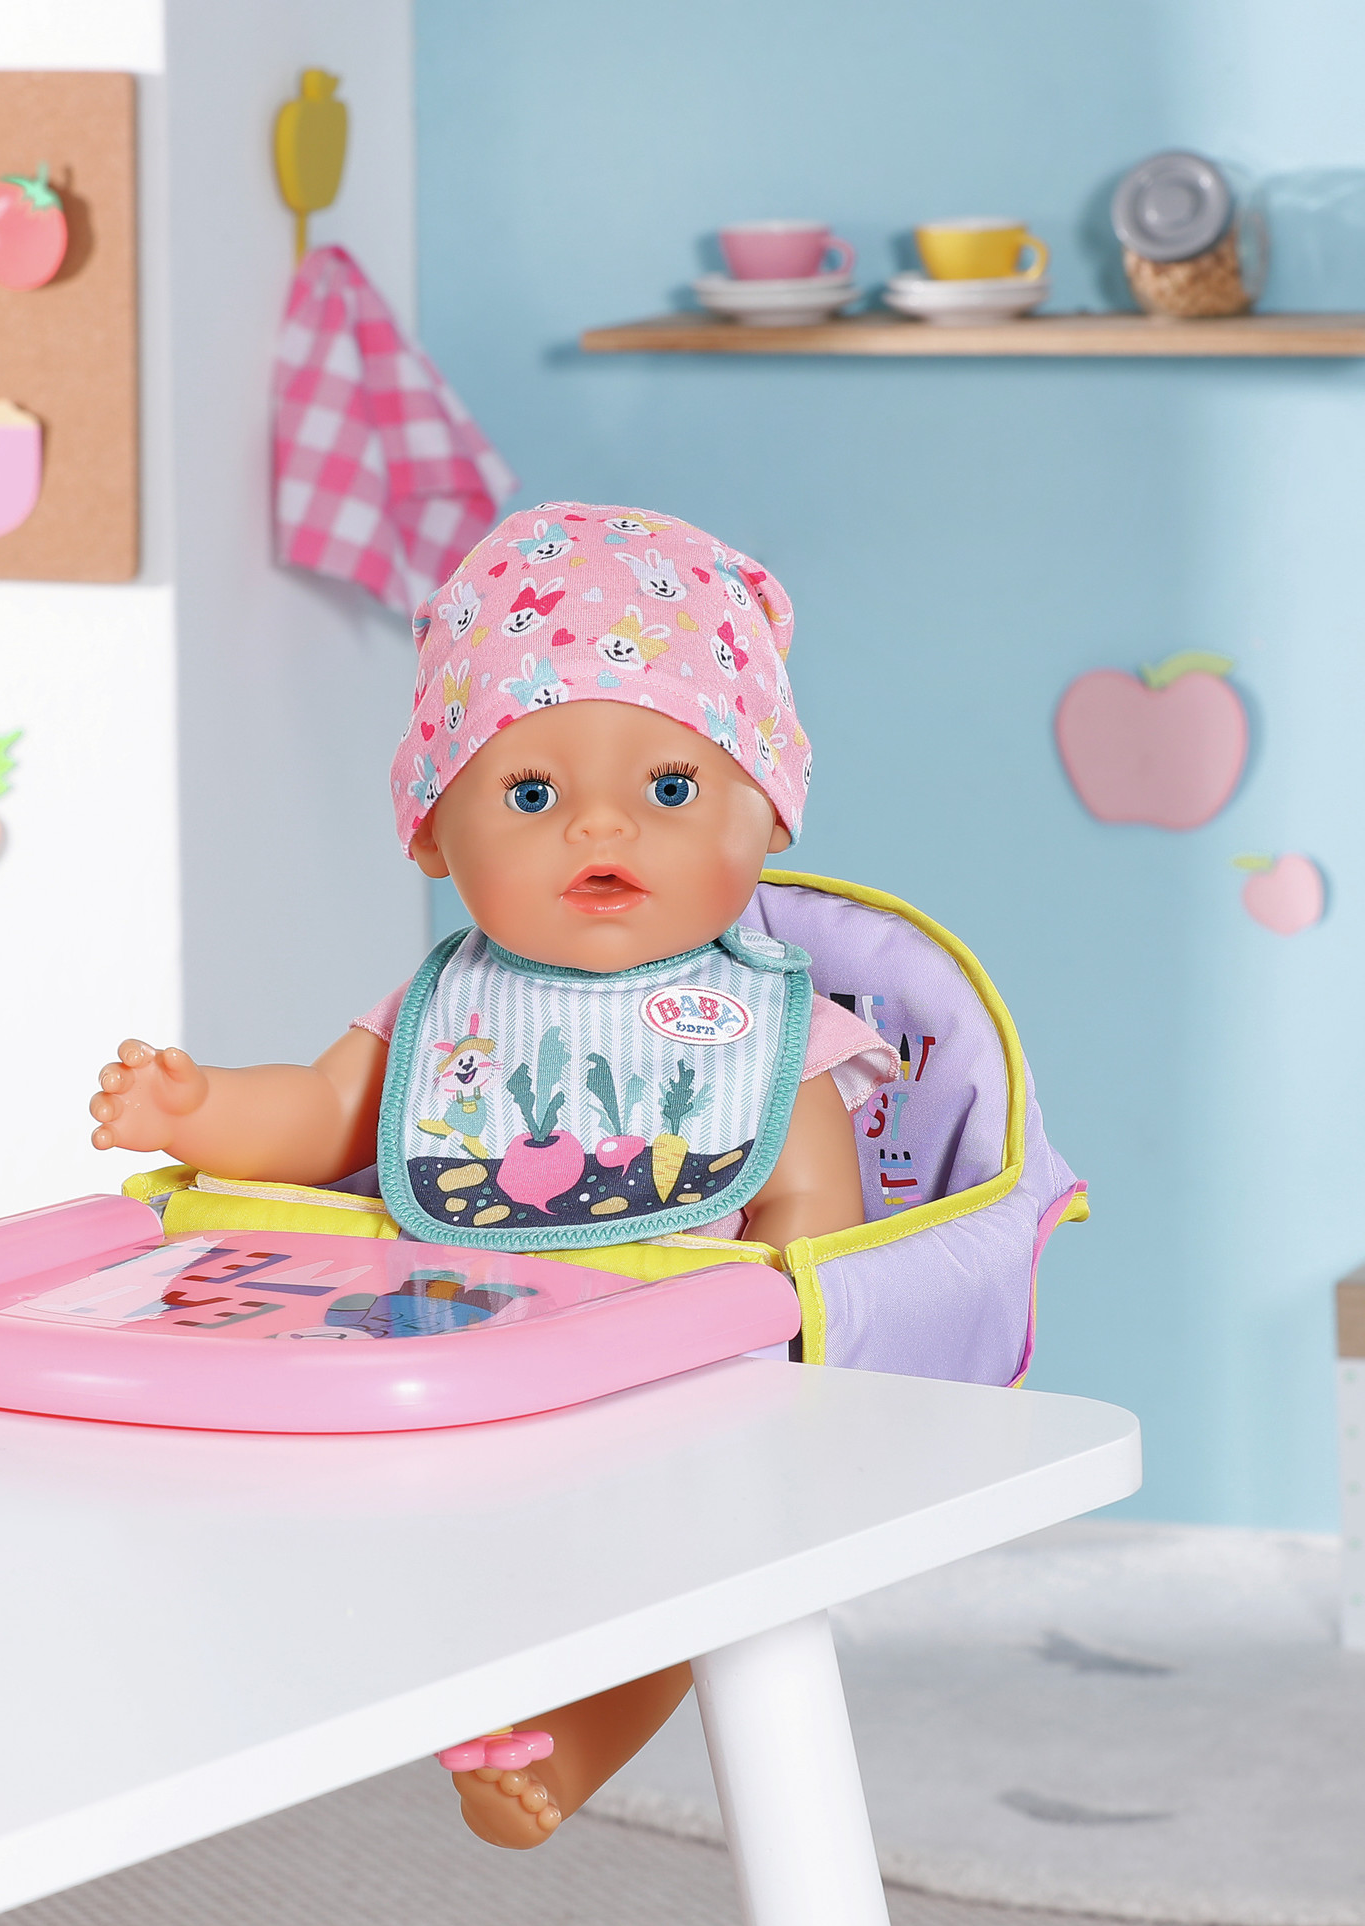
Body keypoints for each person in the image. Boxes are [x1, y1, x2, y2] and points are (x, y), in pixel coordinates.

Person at [88, 503, 896, 1845]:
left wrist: (787, 1319)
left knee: (686, 1576)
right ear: (431, 833)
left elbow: (815, 1218)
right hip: (453, 1376)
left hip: (672, 1405)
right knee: (317, 1503)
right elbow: (324, 1120)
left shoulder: (766, 1031)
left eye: (671, 788)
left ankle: (577, 1741)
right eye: (531, 794)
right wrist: (204, 1106)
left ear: (767, 814)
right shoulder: (444, 1013)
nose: (600, 825)